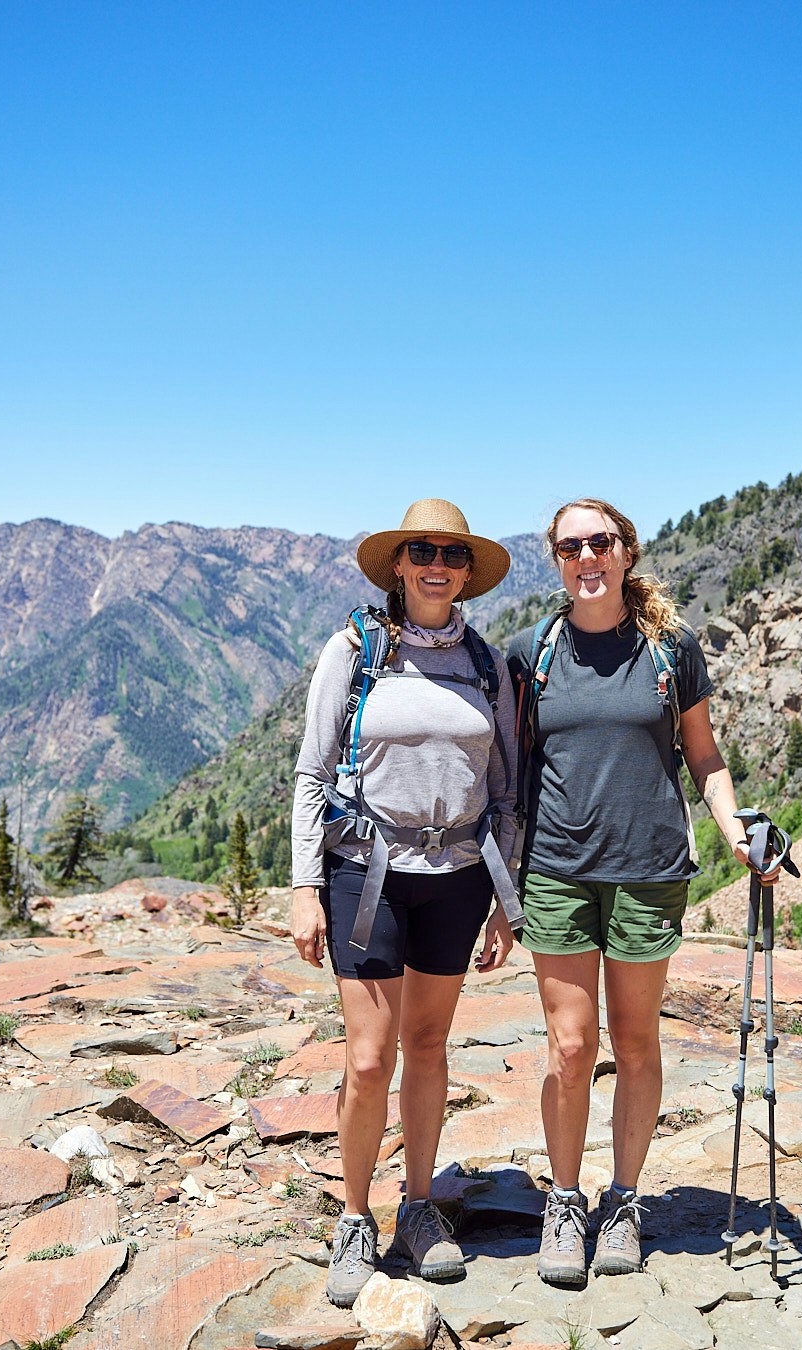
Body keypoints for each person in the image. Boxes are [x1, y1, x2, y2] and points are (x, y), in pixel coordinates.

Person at [507, 496, 779, 1287]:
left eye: (599, 542)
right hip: (557, 867)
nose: (585, 557)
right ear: (555, 560)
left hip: (650, 869)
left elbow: (705, 756)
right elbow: (506, 767)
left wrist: (735, 830)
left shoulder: (671, 649)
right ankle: (566, 1201)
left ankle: (622, 1202)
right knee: (569, 1047)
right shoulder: (534, 652)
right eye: (570, 547)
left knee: (635, 1042)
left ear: (626, 551)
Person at [289, 497, 525, 1309]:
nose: (436, 565)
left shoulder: (486, 665)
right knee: (368, 1056)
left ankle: (417, 1209)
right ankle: (354, 1216)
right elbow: (313, 774)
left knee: (427, 1045)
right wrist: (303, 886)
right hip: (366, 873)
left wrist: (506, 896)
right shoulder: (355, 650)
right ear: (398, 564)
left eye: (452, 556)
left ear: (468, 574)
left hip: (458, 877)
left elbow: (506, 791)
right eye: (421, 550)